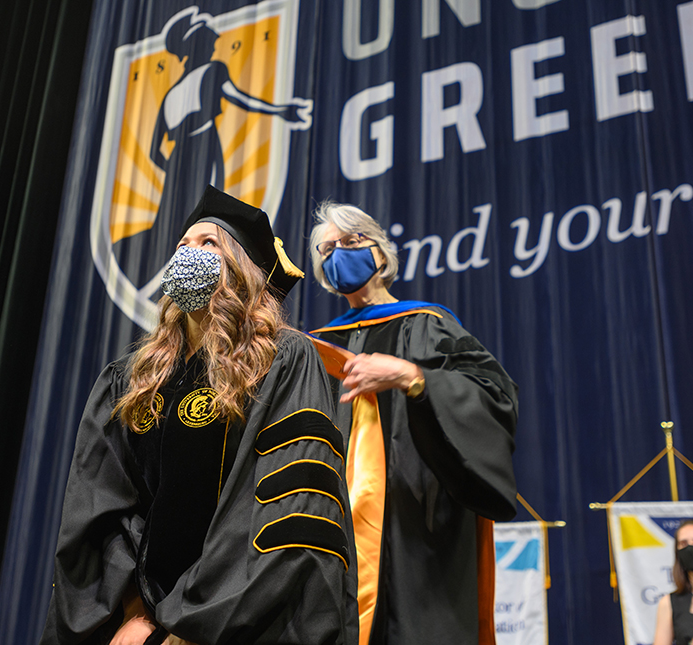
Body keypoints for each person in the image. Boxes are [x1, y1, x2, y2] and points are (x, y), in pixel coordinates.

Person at [41, 186, 357, 645]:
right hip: (141, 626)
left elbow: (288, 507)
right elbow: (104, 509)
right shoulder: (133, 378)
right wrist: (137, 613)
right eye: (182, 244)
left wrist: (192, 623)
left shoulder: (282, 359)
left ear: (242, 269)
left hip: (244, 619)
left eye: (209, 242)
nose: (189, 253)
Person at [307, 202, 518, 645]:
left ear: (380, 253)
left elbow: (495, 398)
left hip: (417, 526)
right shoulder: (315, 348)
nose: (338, 253)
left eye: (350, 241)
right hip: (335, 529)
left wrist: (413, 377)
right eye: (327, 249)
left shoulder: (428, 324)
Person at [118, 6, 313, 282]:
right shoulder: (213, 70)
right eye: (209, 41)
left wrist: (173, 169)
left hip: (177, 157)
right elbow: (241, 99)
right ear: (196, 45)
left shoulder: (171, 94)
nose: (213, 46)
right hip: (205, 147)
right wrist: (280, 110)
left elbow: (153, 150)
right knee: (207, 217)